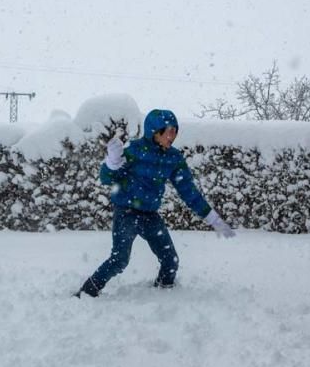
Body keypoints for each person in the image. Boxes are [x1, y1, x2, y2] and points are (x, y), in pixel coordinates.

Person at [75, 109, 235, 297]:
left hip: (150, 215)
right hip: (126, 213)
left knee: (171, 260)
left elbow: (188, 191)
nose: (171, 136)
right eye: (167, 131)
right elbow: (107, 179)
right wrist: (112, 162)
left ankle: (163, 295)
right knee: (120, 260)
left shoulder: (173, 158)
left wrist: (213, 218)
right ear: (153, 132)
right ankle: (86, 292)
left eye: (175, 131)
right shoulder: (133, 151)